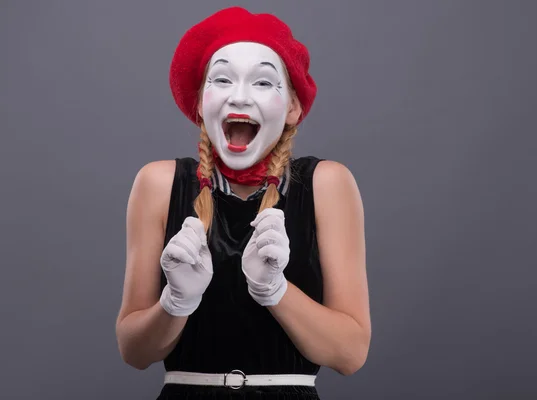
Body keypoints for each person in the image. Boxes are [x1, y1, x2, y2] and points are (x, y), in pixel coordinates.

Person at [115, 6, 371, 399]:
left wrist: (275, 290)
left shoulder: (327, 184)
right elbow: (134, 351)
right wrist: (176, 301)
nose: (240, 96)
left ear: (292, 107)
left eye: (264, 82)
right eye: (222, 79)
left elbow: (350, 354)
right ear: (200, 102)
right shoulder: (158, 183)